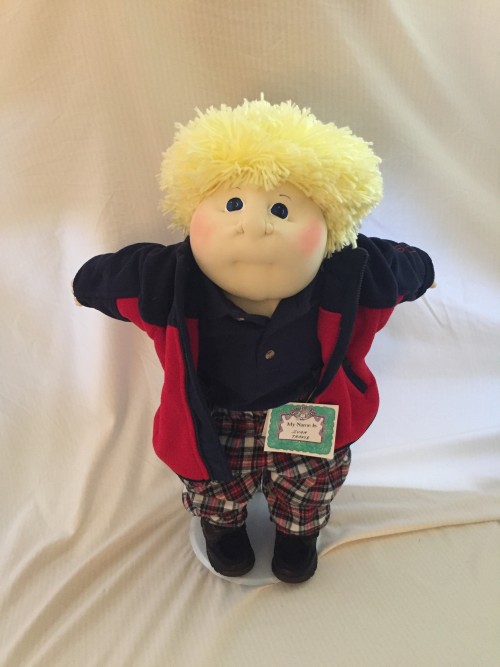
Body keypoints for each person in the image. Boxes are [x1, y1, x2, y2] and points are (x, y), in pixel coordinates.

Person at [73, 98, 435, 583]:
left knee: (311, 483)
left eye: (281, 209)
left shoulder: (352, 274)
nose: (254, 224)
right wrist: (85, 286)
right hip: (214, 417)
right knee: (213, 485)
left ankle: (297, 532)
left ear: (329, 227)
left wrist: (425, 272)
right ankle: (223, 527)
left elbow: (398, 268)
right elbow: (118, 277)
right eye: (233, 205)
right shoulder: (169, 281)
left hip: (309, 410)